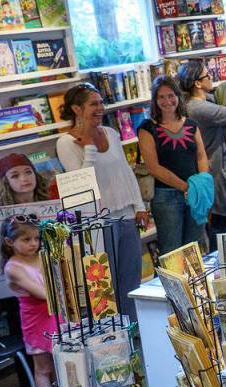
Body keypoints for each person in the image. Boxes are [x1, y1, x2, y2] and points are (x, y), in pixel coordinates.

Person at [55, 82, 146, 322]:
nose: (100, 108)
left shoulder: (112, 133)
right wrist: (89, 149)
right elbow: (82, 184)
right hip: (97, 221)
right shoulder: (65, 143)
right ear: (76, 109)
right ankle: (112, 338)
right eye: (93, 104)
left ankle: (133, 332)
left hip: (126, 215)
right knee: (105, 285)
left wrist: (140, 206)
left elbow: (126, 171)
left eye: (100, 103)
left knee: (131, 280)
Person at [137, 76, 210, 255]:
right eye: (161, 97)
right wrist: (185, 187)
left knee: (194, 247)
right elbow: (153, 167)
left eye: (171, 95)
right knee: (172, 251)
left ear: (178, 96)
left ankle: (193, 283)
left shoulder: (191, 124)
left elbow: (201, 156)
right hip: (166, 197)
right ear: (154, 100)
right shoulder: (147, 128)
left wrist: (201, 184)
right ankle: (174, 284)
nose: (167, 101)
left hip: (195, 193)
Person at [177, 59, 226, 240]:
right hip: (216, 172)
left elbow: (215, 98)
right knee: (222, 228)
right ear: (197, 83)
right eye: (208, 75)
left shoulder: (196, 102)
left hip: (215, 169)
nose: (211, 78)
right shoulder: (199, 108)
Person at [1, 216, 56, 387]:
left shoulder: (41, 256)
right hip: (36, 319)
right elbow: (42, 293)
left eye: (37, 238)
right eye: (26, 239)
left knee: (59, 364)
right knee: (43, 368)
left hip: (55, 314)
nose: (33, 243)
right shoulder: (13, 268)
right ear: (9, 241)